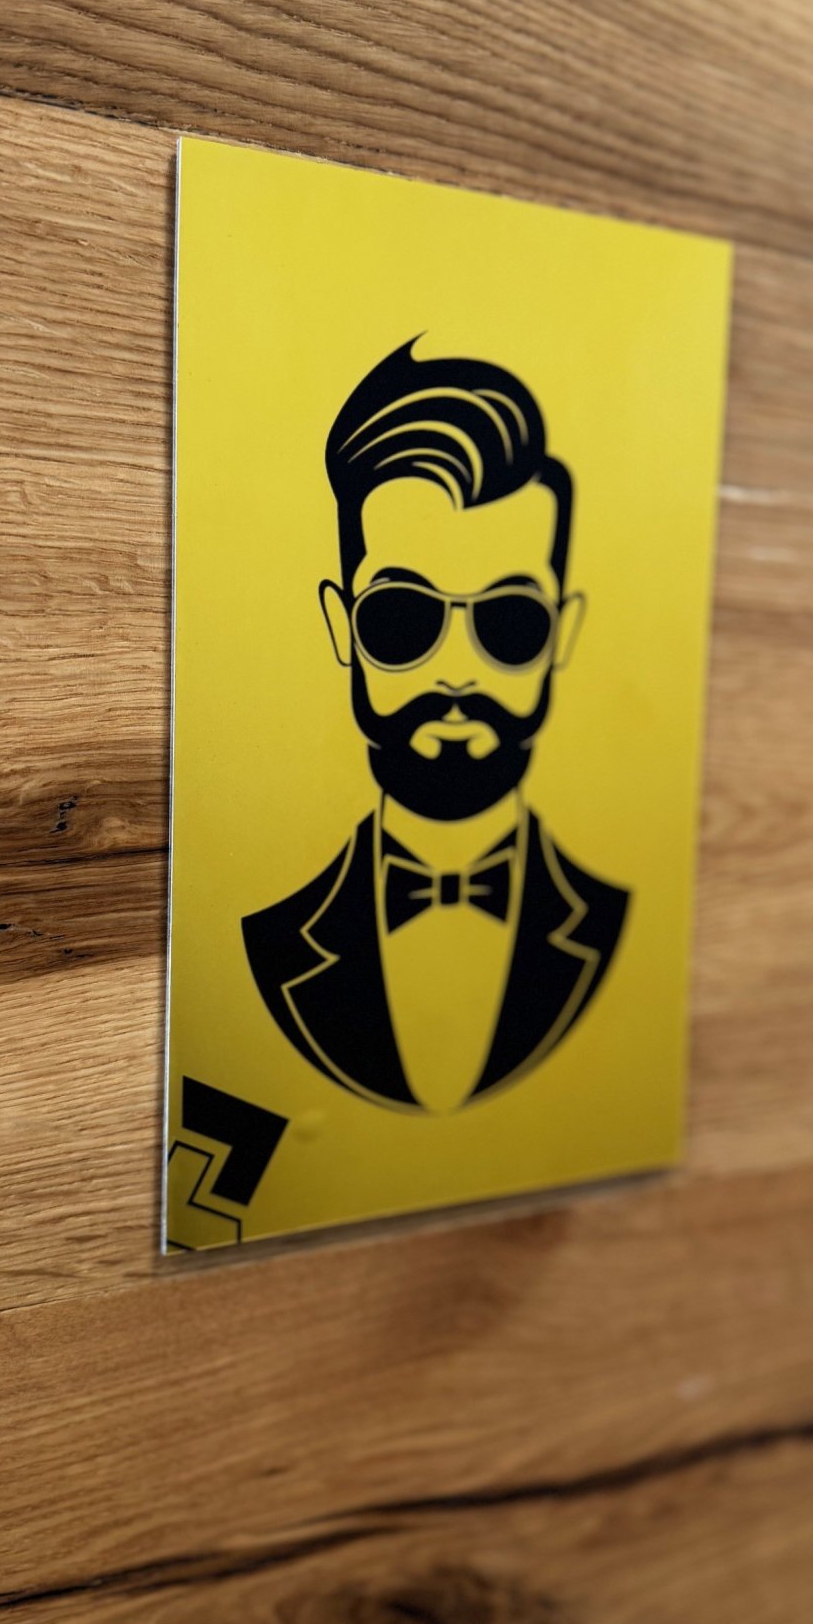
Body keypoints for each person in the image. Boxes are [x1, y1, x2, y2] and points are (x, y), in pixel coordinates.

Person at [243, 339, 629, 1112]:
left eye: (509, 622)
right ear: (343, 626)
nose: (457, 673)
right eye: (403, 617)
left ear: (561, 632)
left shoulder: (614, 919)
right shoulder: (272, 938)